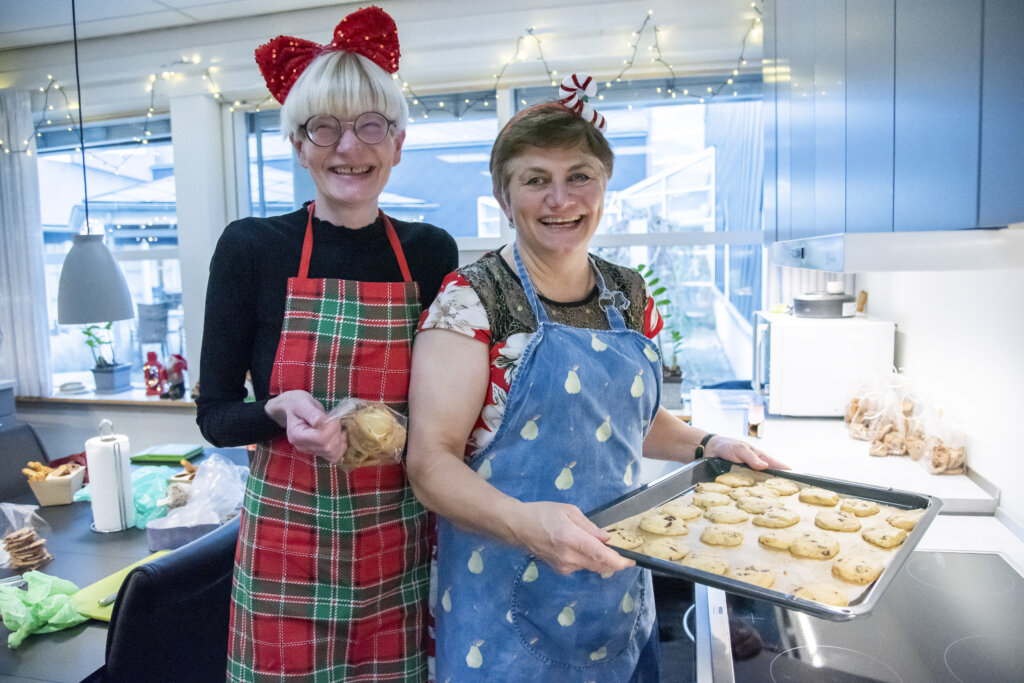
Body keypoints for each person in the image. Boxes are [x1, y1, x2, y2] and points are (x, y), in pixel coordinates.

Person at [405, 74, 787, 681]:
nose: (561, 199)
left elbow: (625, 420)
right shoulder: (470, 302)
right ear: (505, 198)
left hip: (616, 589)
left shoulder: (628, 294)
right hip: (498, 599)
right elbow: (430, 464)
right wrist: (527, 525)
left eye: (579, 175)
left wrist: (710, 445)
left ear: (603, 184)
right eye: (536, 180)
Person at [195, 7, 458, 681]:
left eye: (371, 125)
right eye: (326, 127)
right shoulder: (251, 248)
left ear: (397, 142)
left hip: (397, 548)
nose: (350, 147)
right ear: (298, 143)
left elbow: (445, 412)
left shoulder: (430, 253)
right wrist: (276, 410)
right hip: (287, 553)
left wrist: (393, 431)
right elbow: (216, 413)